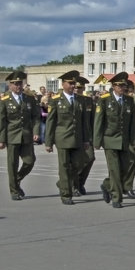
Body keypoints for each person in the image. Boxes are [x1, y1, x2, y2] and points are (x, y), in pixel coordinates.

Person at [45, 70, 92, 205]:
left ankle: (62, 182)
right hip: (63, 138)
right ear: (63, 84)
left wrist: (86, 139)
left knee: (80, 163)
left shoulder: (80, 100)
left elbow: (84, 122)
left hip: (77, 138)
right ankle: (66, 194)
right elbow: (50, 122)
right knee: (64, 167)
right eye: (70, 83)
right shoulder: (55, 101)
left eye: (74, 83)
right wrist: (48, 142)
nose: (73, 86)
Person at [93, 72, 135, 209]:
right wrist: (97, 140)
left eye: (124, 85)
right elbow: (99, 122)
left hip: (125, 140)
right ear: (113, 86)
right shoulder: (104, 100)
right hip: (110, 139)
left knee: (129, 165)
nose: (122, 88)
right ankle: (116, 198)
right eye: (119, 85)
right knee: (114, 169)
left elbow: (132, 123)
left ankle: (107, 185)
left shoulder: (129, 100)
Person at [0, 70, 40, 200]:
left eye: (20, 83)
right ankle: (14, 191)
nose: (18, 86)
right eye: (15, 84)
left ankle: (17, 179)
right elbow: (1, 121)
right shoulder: (5, 100)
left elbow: (36, 117)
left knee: (30, 161)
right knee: (12, 164)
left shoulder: (29, 99)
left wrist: (36, 131)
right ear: (10, 85)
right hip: (12, 136)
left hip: (26, 135)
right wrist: (1, 139)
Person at [74, 77, 97, 195]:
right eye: (76, 87)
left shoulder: (88, 101)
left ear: (83, 88)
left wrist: (95, 136)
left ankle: (80, 182)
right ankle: (73, 185)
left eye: (80, 87)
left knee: (90, 158)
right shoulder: (72, 100)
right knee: (75, 162)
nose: (77, 89)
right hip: (74, 136)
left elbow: (93, 120)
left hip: (87, 136)